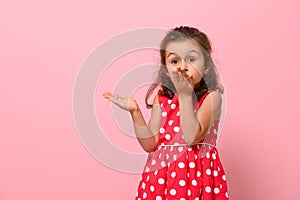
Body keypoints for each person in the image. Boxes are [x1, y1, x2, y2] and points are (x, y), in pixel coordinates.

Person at [103, 26, 229, 200]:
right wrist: (135, 112)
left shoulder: (211, 98)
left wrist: (185, 95)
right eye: (174, 61)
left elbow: (192, 137)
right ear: (166, 69)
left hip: (198, 177)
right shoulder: (161, 100)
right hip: (162, 179)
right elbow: (150, 145)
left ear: (206, 66)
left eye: (191, 59)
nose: (182, 67)